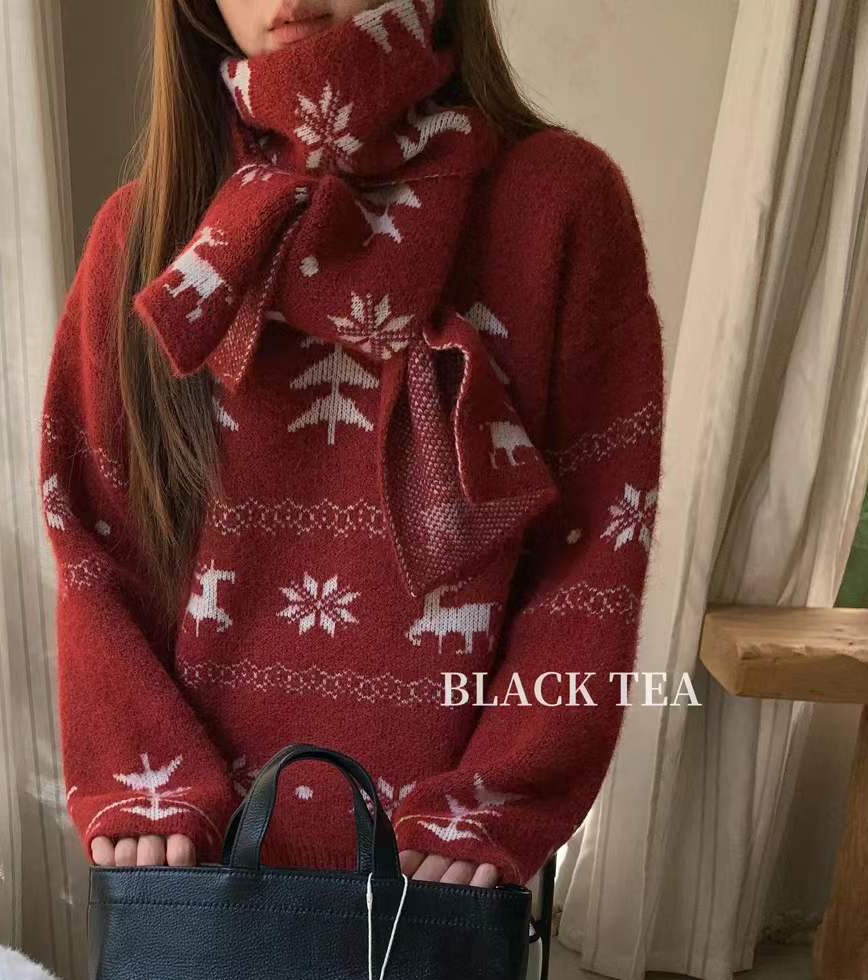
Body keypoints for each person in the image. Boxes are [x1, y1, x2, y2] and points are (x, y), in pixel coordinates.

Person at [41, 0, 664, 889]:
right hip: (186, 873)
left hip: (440, 881)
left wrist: (494, 800)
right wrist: (143, 781)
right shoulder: (143, 239)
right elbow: (94, 542)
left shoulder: (558, 206)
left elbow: (597, 548)